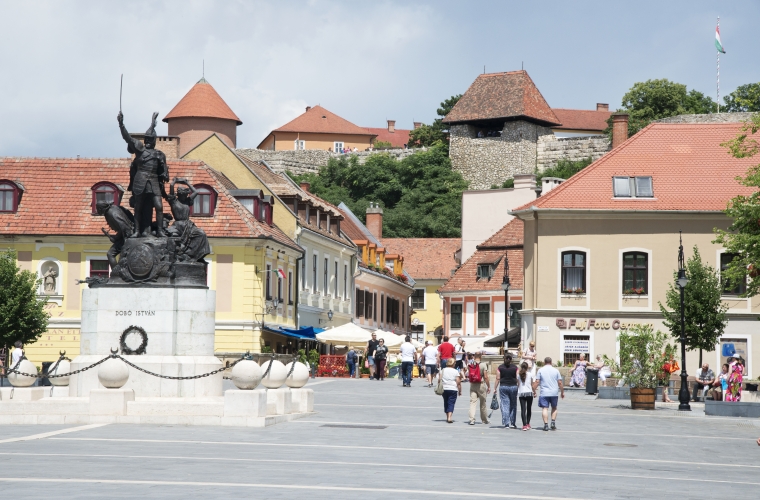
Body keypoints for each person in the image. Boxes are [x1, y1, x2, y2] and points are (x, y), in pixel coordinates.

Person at [533, 356, 564, 431]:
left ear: (544, 362)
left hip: (544, 392)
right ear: (551, 362)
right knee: (554, 407)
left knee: (545, 408)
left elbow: (537, 381)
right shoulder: (556, 370)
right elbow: (560, 382)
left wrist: (533, 389)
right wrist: (562, 392)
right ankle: (553, 422)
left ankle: (546, 425)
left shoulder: (540, 370)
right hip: (554, 392)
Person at [467, 352, 490, 426]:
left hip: (473, 384)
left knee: (473, 402)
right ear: (481, 357)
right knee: (483, 403)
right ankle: (484, 419)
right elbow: (485, 376)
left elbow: (469, 374)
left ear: (474, 357)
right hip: (481, 384)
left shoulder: (470, 364)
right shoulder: (483, 365)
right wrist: (489, 386)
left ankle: (471, 419)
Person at [496, 354, 518, 429]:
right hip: (513, 386)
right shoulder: (515, 367)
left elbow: (498, 378)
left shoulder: (500, 367)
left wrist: (495, 388)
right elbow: (517, 378)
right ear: (511, 359)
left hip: (503, 386)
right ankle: (513, 423)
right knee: (513, 404)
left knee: (505, 405)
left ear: (504, 359)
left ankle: (506, 423)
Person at [440, 358, 461, 423]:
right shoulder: (455, 371)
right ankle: (449, 417)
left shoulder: (442, 370)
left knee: (446, 402)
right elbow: (458, 382)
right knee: (451, 402)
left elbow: (439, 380)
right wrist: (460, 390)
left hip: (444, 388)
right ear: (453, 363)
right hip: (453, 388)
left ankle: (447, 417)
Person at [517, 361, 536, 431]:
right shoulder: (530, 374)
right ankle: (528, 423)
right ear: (527, 367)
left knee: (523, 409)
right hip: (529, 393)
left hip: (521, 393)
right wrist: (534, 392)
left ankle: (524, 425)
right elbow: (532, 385)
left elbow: (518, 384)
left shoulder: (518, 375)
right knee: (529, 409)